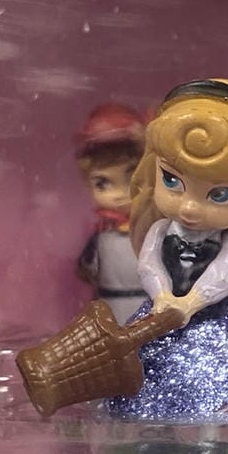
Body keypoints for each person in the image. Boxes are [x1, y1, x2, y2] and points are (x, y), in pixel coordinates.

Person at [104, 78, 228, 421]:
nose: (190, 208)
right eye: (172, 181)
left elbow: (225, 276)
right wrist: (163, 298)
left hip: (213, 326)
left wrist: (190, 303)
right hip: (160, 314)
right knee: (137, 388)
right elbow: (149, 266)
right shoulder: (161, 230)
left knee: (222, 397)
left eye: (220, 194)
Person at [74, 102, 147, 323]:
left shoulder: (156, 229)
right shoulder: (103, 234)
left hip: (152, 309)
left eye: (131, 178)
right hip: (111, 310)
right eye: (102, 184)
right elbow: (87, 269)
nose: (119, 195)